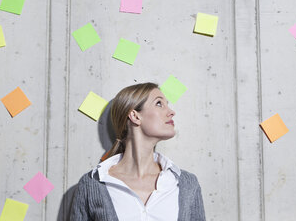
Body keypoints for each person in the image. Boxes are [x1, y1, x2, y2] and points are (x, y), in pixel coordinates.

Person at [70, 82, 206, 221]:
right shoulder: (92, 184)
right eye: (159, 104)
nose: (171, 112)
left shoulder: (187, 184)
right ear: (135, 116)